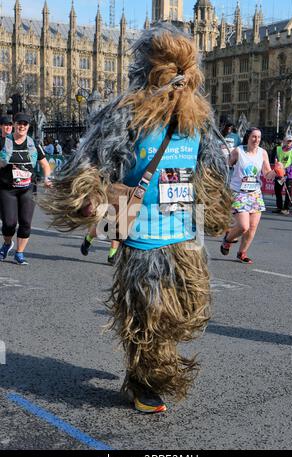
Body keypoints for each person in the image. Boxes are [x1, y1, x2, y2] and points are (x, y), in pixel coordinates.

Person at [42, 25, 232, 413]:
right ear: (150, 69)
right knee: (148, 315)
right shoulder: (125, 114)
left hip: (185, 234)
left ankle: (152, 364)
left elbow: (210, 168)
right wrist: (88, 196)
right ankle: (145, 381)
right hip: (142, 233)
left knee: (186, 311)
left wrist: (215, 208)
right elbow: (90, 164)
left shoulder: (198, 116)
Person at [220, 127, 284, 264]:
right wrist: (226, 158)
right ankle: (227, 240)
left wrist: (277, 171)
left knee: (253, 226)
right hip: (238, 192)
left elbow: (267, 174)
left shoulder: (262, 153)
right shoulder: (238, 151)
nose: (257, 140)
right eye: (254, 137)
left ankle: (242, 253)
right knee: (244, 226)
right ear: (248, 137)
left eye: (259, 137)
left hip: (255, 193)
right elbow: (225, 166)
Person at [0, 112, 52, 265]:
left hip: (27, 188)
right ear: (14, 124)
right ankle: (8, 243)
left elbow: (45, 165)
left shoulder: (34, 144)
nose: (22, 126)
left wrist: (47, 178)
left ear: (28, 127)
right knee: (9, 223)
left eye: (25, 124)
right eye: (19, 123)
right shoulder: (3, 142)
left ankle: (20, 253)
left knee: (25, 222)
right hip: (7, 188)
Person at [272, 135, 292, 215]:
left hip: (289, 175)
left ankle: (286, 208)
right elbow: (276, 161)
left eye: (290, 141)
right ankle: (279, 207)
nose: (288, 143)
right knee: (277, 190)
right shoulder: (279, 150)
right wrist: (279, 170)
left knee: (288, 193)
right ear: (284, 141)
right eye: (287, 141)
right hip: (279, 174)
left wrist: (285, 172)